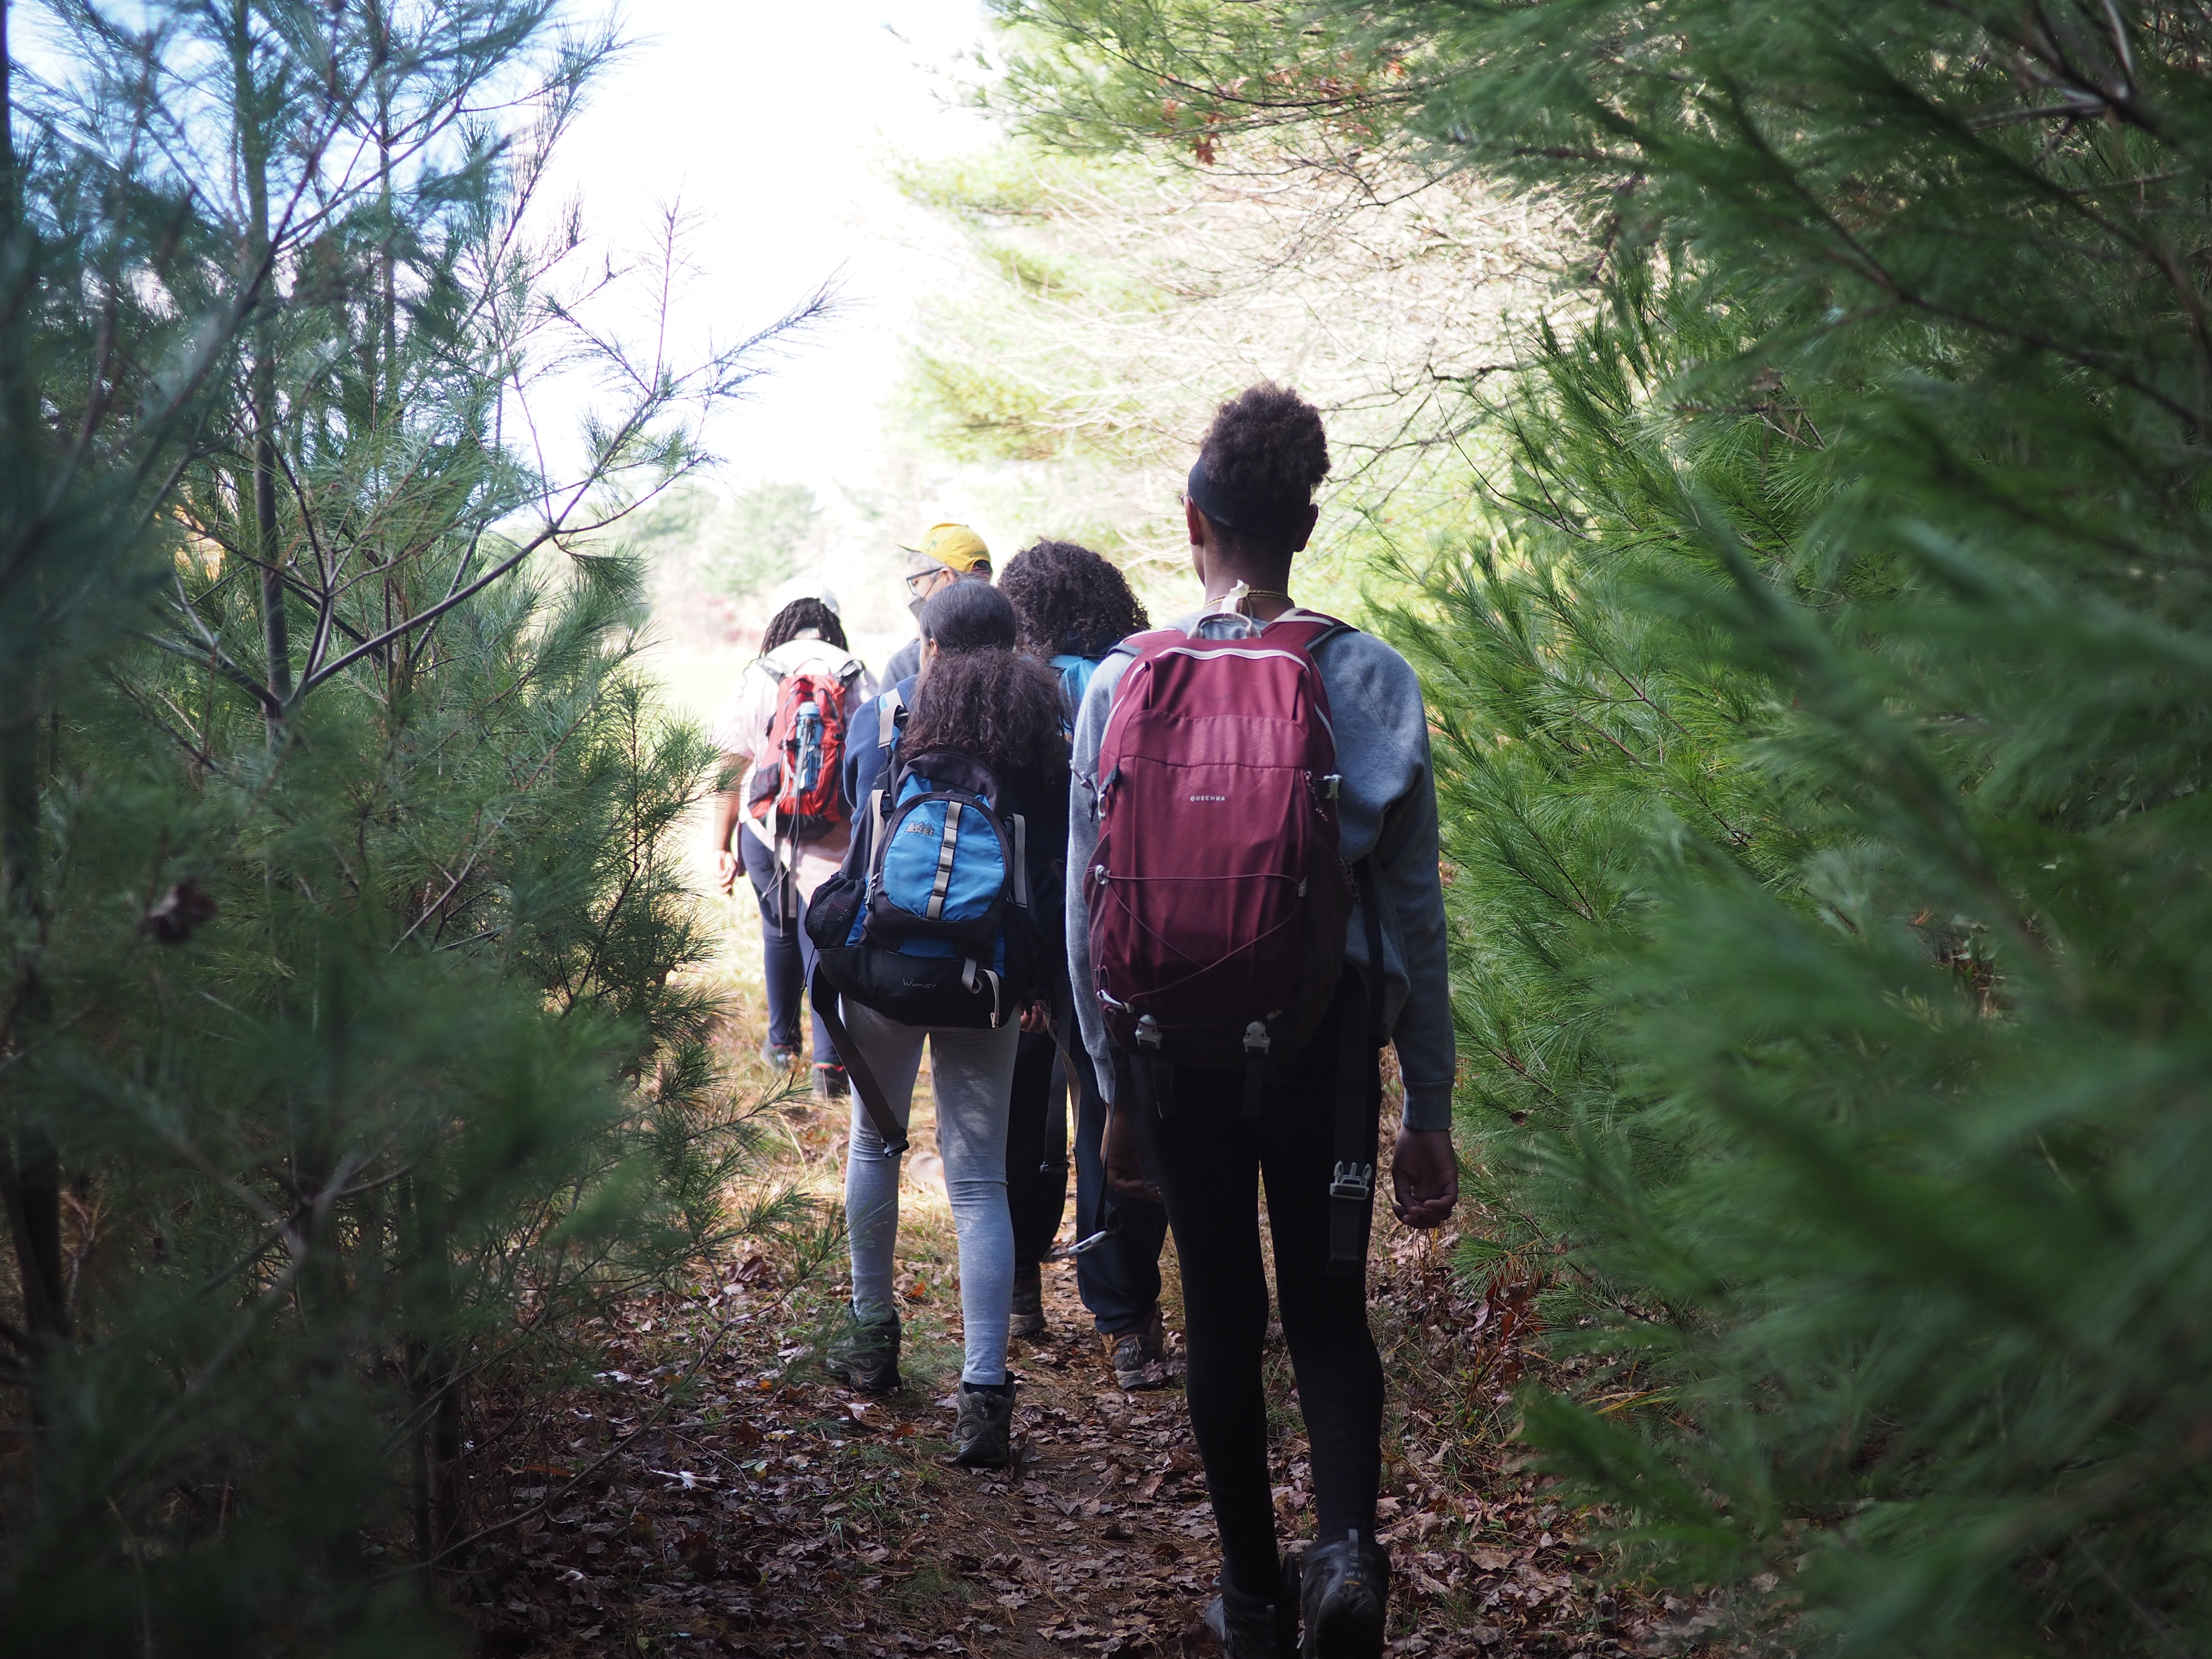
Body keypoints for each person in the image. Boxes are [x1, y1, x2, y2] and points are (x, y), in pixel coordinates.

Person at [1063, 385, 1459, 1659]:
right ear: (1303, 523)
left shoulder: (1121, 681)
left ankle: (1248, 1593)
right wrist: (1428, 1111)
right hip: (1325, 1042)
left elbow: (1087, 913)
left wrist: (1115, 1089)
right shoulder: (1371, 676)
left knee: (1225, 1316)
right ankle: (1343, 1552)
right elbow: (1414, 931)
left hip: (1172, 1057)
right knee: (1331, 1313)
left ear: (1195, 523)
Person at [822, 581, 1071, 1469]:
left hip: (880, 966)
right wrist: (1041, 982)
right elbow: (1047, 874)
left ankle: (870, 1340)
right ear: (1010, 649)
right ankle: (983, 1395)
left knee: (872, 1146)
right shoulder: (1040, 738)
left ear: (927, 647)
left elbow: (859, 844)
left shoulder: (881, 721)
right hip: (983, 978)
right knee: (977, 1185)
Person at [996, 539, 1169, 1378]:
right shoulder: (1137, 680)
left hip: (1032, 938)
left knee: (1029, 1114)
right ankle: (1128, 1320)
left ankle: (1021, 1285)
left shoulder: (1017, 693)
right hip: (1125, 929)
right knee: (1115, 1104)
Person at [710, 587, 873, 1098]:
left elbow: (731, 765)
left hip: (763, 831)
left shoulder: (759, 674)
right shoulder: (854, 670)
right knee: (824, 939)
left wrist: (722, 845)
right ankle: (832, 1066)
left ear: (782, 622)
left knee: (778, 932)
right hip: (835, 835)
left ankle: (781, 1047)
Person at [881, 521, 990, 688]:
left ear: (946, 578)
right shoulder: (1017, 650)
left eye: (916, 581)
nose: (916, 594)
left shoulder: (907, 664)